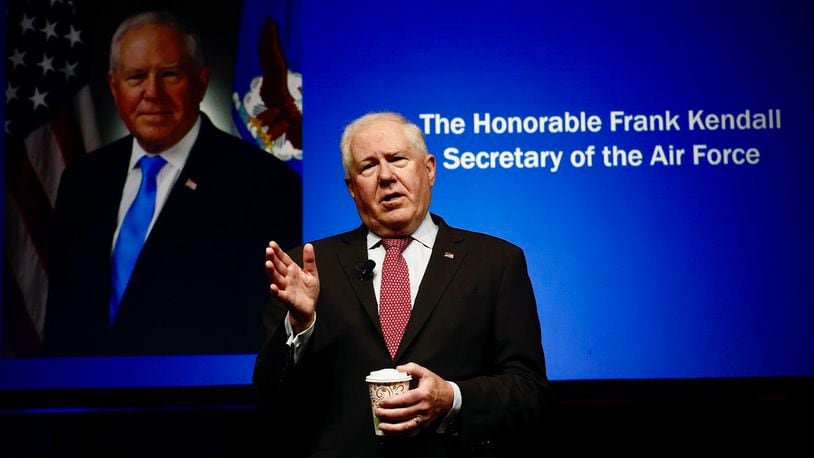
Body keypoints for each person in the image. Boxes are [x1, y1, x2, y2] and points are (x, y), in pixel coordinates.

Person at [254, 112, 548, 457]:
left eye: (397, 159)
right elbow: (268, 397)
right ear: (351, 188)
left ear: (429, 170)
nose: (386, 176)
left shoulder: (495, 263)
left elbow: (530, 393)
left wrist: (451, 397)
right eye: (368, 167)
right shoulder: (306, 268)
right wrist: (301, 326)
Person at [42, 11, 301, 356]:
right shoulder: (82, 181)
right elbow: (64, 317)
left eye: (169, 75)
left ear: (201, 82)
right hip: (86, 402)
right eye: (136, 77)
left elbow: (268, 328)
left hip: (206, 402)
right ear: (114, 87)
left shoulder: (262, 182)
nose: (153, 93)